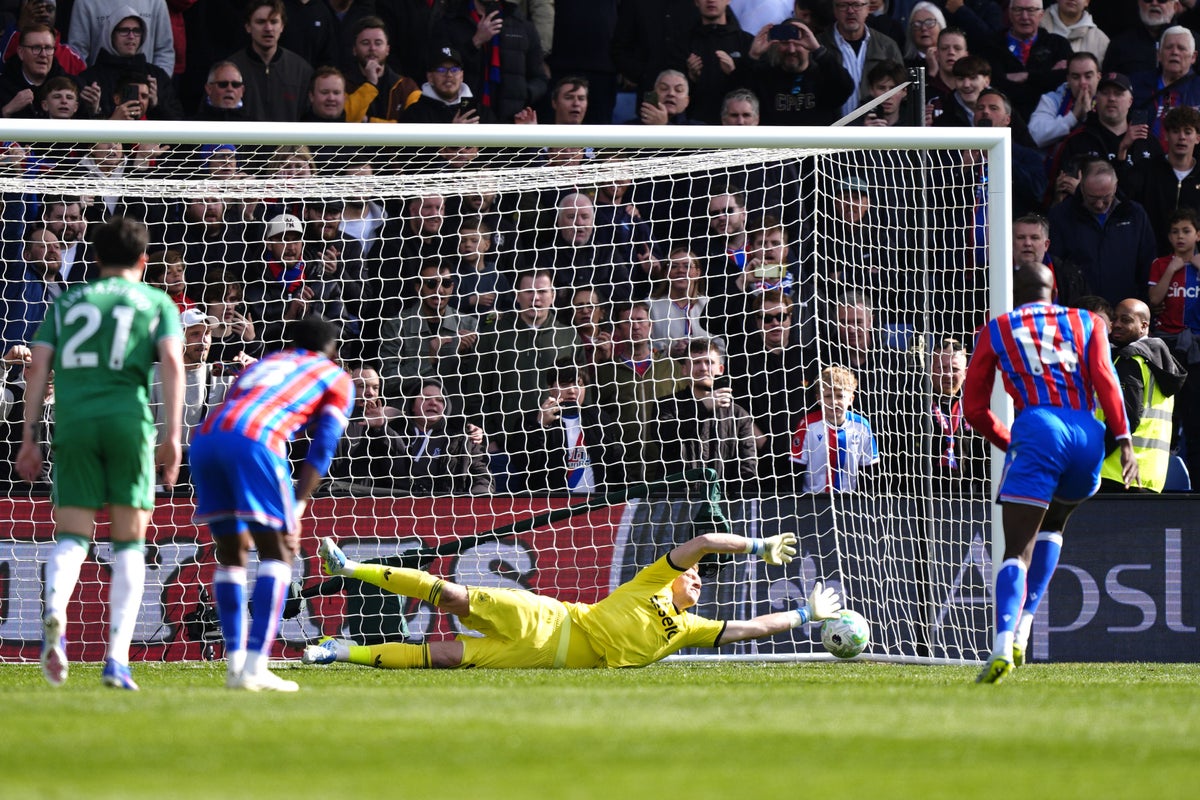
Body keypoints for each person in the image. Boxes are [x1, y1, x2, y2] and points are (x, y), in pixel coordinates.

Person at [16, 216, 184, 690]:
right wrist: (172, 435)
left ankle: (54, 610)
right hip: (128, 422)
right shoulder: (156, 300)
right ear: (144, 260)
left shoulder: (68, 301)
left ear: (93, 259)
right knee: (130, 541)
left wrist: (30, 437)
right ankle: (116, 659)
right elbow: (171, 360)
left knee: (72, 537)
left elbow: (37, 367)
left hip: (73, 421)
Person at [301, 528, 842, 669]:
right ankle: (348, 566)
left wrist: (802, 615)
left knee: (444, 657)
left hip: (540, 656)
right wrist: (758, 545)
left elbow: (746, 631)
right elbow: (699, 542)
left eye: (699, 580)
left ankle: (336, 649)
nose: (696, 579)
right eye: (692, 577)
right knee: (450, 595)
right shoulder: (650, 582)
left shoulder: (690, 629)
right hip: (546, 614)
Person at [962, 262, 1137, 683]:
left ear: (1015, 293)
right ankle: (1025, 625)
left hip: (1038, 428)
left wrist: (1010, 443)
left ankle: (1004, 639)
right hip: (1087, 433)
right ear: (1054, 288)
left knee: (1015, 550)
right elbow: (1105, 379)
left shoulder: (998, 328)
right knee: (1055, 523)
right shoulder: (1087, 321)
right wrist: (1124, 438)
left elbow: (974, 408)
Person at [189, 315, 354, 692]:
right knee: (279, 551)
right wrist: (297, 506)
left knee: (231, 554)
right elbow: (324, 446)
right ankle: (256, 665)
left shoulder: (266, 363)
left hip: (207, 439)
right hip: (257, 441)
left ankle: (235, 666)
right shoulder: (334, 375)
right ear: (330, 349)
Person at [1098, 298, 1187, 493]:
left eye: (1126, 320)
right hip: (1151, 476)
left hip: (1115, 472)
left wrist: (1093, 458)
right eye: (1115, 319)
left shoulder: (1131, 360)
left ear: (1144, 325)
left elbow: (1125, 418)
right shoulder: (1164, 362)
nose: (1117, 324)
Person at [652, 337, 758, 494]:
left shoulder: (738, 415)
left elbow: (748, 470)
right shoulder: (666, 405)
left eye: (709, 362)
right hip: (676, 503)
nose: (703, 368)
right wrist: (702, 407)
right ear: (684, 370)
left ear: (720, 369)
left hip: (724, 506)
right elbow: (664, 437)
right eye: (696, 362)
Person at [511, 363, 625, 494]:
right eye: (564, 384)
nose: (572, 390)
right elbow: (524, 466)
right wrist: (540, 426)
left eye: (578, 384)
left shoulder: (599, 418)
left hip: (596, 506)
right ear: (550, 388)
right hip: (551, 507)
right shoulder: (529, 421)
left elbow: (616, 465)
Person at [790, 364, 878, 493]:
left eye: (840, 396)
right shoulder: (807, 425)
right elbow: (796, 468)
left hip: (850, 502)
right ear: (818, 399)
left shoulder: (861, 426)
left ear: (851, 399)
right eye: (828, 396)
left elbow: (869, 469)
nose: (834, 402)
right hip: (812, 501)